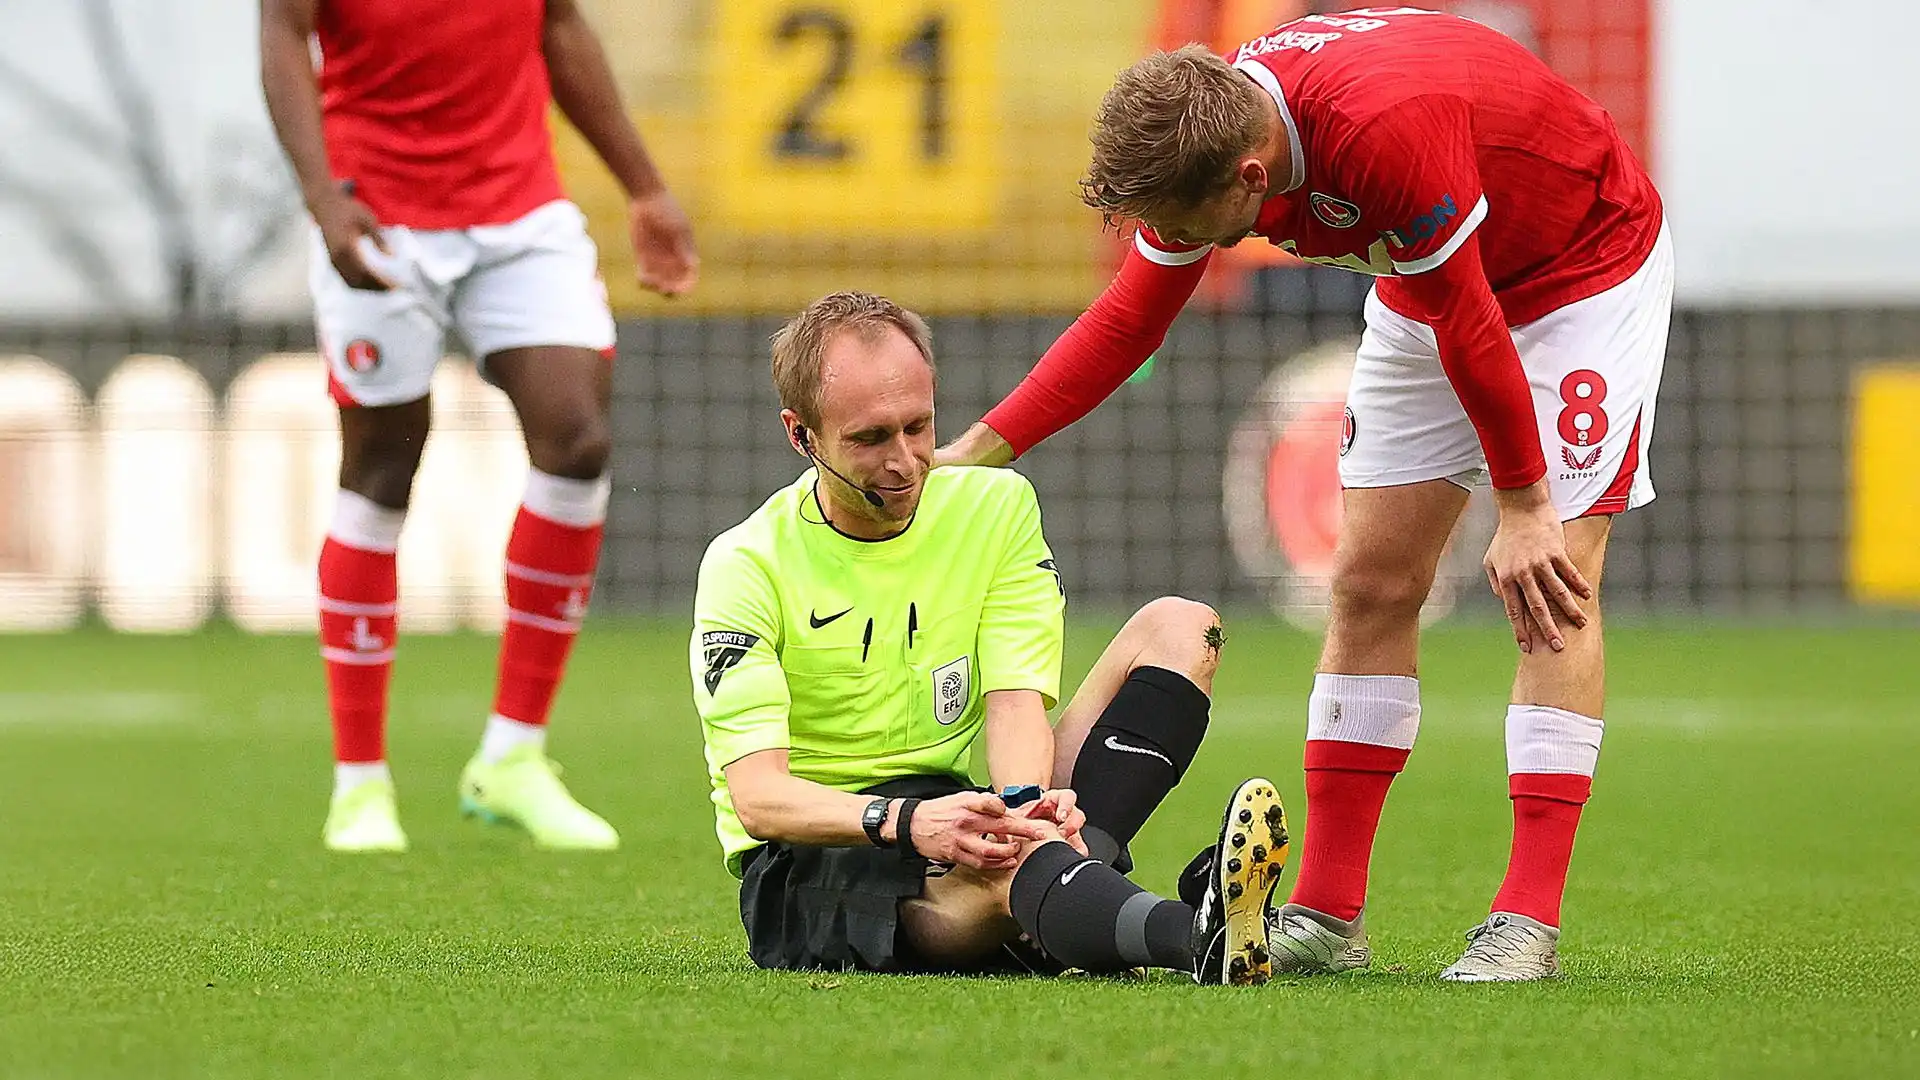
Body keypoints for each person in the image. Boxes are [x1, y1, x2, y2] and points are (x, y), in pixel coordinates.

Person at [936, 9, 1672, 981]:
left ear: (1247, 177)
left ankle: (1526, 920)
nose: (1171, 243)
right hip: (1434, 283)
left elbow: (1476, 327)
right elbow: (1129, 320)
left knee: (1550, 585)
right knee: (1368, 582)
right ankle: (1328, 916)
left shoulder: (1381, 135)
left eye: (1182, 226)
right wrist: (978, 451)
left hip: (1578, 276)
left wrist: (1526, 505)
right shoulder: (1213, 121)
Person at [689, 291, 1288, 983]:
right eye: (870, 438)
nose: (906, 461)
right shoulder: (747, 563)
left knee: (1185, 629)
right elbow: (759, 800)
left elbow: (1013, 702)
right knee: (1009, 875)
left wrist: (1024, 808)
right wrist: (909, 821)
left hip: (956, 808)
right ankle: (1190, 935)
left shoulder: (994, 506)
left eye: (919, 426)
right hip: (815, 855)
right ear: (802, 435)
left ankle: (1063, 888)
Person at [261, 0, 700, 852]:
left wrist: (644, 187)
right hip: (374, 210)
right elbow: (282, 32)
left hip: (518, 211)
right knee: (384, 466)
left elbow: (560, 26)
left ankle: (514, 755)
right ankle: (359, 787)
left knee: (578, 440)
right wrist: (323, 198)